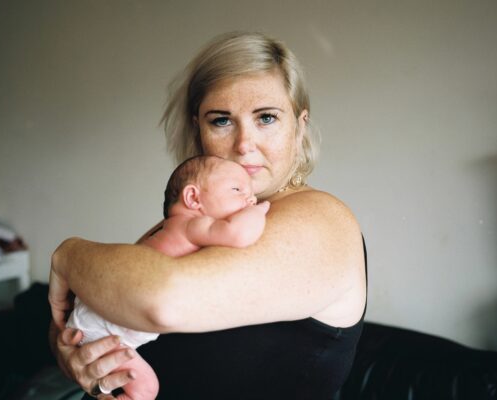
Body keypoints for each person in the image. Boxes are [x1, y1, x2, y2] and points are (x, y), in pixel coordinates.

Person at [49, 31, 367, 399]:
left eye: (266, 118)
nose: (244, 144)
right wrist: (73, 355)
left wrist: (68, 253)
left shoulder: (323, 220)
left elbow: (162, 301)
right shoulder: (190, 218)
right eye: (221, 120)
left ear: (300, 127)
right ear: (198, 129)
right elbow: (89, 314)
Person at [65, 155, 270, 399]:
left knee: (143, 386)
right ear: (193, 198)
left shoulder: (165, 229)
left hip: (98, 316)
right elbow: (238, 234)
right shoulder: (190, 227)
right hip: (105, 327)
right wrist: (261, 210)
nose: (250, 198)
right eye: (237, 189)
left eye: (251, 195)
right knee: (146, 389)